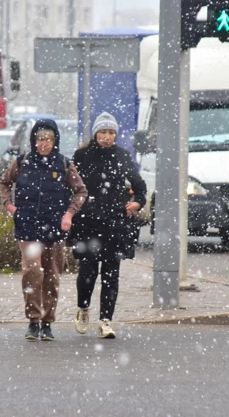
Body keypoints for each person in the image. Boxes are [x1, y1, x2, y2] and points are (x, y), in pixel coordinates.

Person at [0, 119, 87, 341]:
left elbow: (81, 191)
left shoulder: (65, 165)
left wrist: (69, 214)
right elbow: (4, 182)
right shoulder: (22, 162)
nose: (44, 143)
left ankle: (47, 322)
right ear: (34, 140)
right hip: (27, 228)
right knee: (32, 271)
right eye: (40, 139)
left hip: (54, 230)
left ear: (55, 141)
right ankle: (33, 320)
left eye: (48, 139)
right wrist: (9, 206)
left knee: (51, 276)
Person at [69, 112, 147, 339]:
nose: (107, 136)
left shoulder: (122, 156)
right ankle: (83, 308)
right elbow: (71, 186)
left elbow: (139, 185)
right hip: (87, 222)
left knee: (111, 274)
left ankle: (106, 321)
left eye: (111, 132)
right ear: (95, 134)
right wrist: (71, 211)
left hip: (115, 224)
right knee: (87, 271)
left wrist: (137, 202)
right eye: (103, 132)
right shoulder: (82, 156)